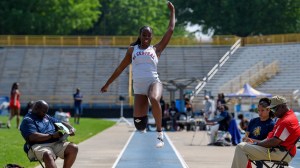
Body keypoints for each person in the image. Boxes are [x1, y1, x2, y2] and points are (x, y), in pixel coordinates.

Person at [100, 1, 175, 148]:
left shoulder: (156, 49)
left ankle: (160, 134)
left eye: (149, 35)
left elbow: (170, 29)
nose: (146, 37)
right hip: (139, 88)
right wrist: (107, 83)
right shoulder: (131, 50)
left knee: (154, 98)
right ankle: (145, 120)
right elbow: (120, 68)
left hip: (154, 82)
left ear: (152, 37)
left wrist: (172, 11)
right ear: (140, 36)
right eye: (144, 34)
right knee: (139, 126)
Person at [231, 95, 300, 168]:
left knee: (241, 147)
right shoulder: (285, 118)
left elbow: (274, 142)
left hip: (281, 153)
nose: (273, 112)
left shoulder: (287, 121)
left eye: (274, 109)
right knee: (243, 146)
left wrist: (256, 143)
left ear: (282, 106)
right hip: (280, 151)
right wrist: (254, 143)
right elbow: (274, 139)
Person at [20, 100, 78, 168]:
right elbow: (33, 137)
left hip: (55, 143)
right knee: (48, 154)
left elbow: (59, 123)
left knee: (73, 148)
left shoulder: (46, 116)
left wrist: (69, 129)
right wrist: (52, 136)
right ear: (36, 108)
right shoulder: (28, 120)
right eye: (44, 112)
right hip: (39, 145)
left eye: (46, 112)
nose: (45, 113)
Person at [242, 97, 275, 168]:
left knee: (243, 149)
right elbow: (246, 136)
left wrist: (253, 141)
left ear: (268, 110)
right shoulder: (253, 121)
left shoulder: (271, 124)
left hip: (263, 149)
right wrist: (246, 139)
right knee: (241, 148)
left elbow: (268, 142)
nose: (260, 113)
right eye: (258, 110)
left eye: (262, 110)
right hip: (250, 146)